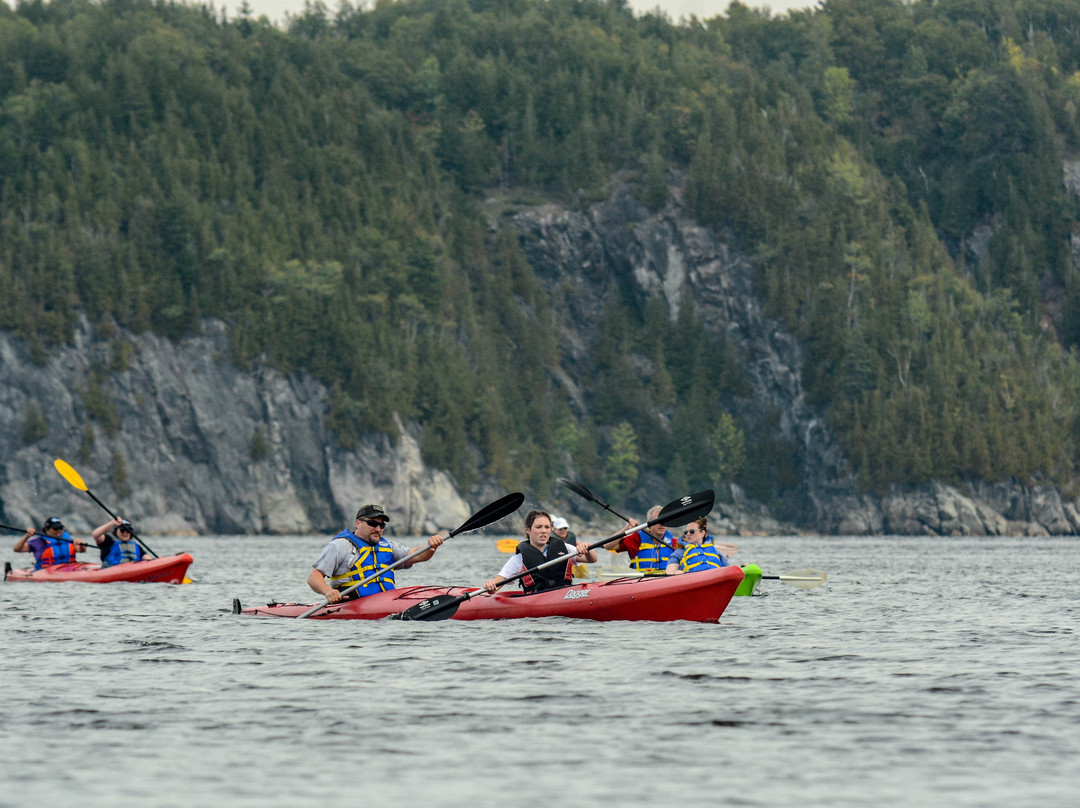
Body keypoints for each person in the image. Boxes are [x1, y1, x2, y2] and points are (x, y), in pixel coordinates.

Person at [307, 503, 444, 603]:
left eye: (382, 525)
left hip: (386, 603)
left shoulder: (388, 546)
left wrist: (430, 546)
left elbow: (417, 555)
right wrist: (328, 592)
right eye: (373, 523)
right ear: (358, 523)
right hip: (351, 607)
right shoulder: (340, 546)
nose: (378, 529)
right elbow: (314, 577)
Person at [484, 510, 598, 594]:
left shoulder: (565, 548)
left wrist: (587, 549)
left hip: (565, 594)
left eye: (547, 527)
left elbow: (592, 559)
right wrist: (491, 586)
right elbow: (496, 586)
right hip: (536, 603)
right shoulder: (519, 559)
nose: (543, 531)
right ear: (528, 530)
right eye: (538, 527)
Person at [604, 504, 677, 574]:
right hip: (642, 581)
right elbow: (608, 546)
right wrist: (626, 529)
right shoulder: (637, 539)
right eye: (658, 520)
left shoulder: (674, 543)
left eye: (664, 520)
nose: (661, 524)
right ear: (649, 523)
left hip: (666, 580)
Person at [12, 517, 86, 570]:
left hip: (70, 568)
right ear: (46, 530)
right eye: (55, 529)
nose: (59, 531)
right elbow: (17, 549)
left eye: (60, 528)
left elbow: (82, 550)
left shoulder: (68, 539)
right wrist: (27, 536)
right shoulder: (38, 542)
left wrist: (81, 544)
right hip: (45, 570)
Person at [665, 517, 730, 575]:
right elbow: (669, 572)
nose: (688, 534)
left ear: (702, 533)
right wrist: (674, 573)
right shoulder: (679, 553)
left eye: (692, 531)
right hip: (693, 583)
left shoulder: (716, 552)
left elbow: (729, 570)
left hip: (716, 580)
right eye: (685, 532)